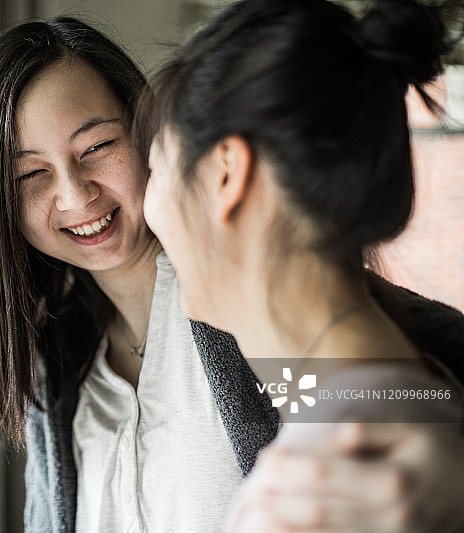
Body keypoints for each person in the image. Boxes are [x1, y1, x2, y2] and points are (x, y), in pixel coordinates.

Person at [0, 15, 464, 533]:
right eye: (30, 173)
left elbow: (373, 387)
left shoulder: (258, 329)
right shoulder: (59, 362)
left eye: (99, 147)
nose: (76, 196)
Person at [139, 0, 464, 531]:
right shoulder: (428, 393)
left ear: (227, 174)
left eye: (155, 168)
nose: (146, 209)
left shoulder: (309, 500)